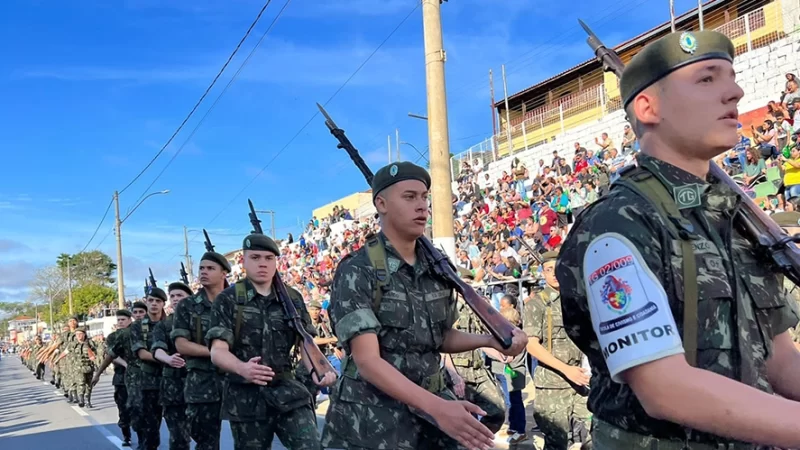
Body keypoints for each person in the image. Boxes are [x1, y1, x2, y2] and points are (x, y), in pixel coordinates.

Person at [556, 30, 800, 449]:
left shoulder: (734, 221)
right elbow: (665, 389)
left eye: (731, 76)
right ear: (648, 107)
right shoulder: (620, 223)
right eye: (707, 79)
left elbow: (777, 358)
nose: (736, 92)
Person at [320, 161, 527, 450]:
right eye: (409, 197)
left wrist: (489, 340)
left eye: (424, 197)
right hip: (371, 421)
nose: (421, 206)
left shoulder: (438, 269)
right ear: (381, 203)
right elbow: (367, 362)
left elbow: (439, 336)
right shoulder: (359, 269)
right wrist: (438, 408)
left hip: (430, 417)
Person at [208, 233, 335, 449]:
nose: (263, 264)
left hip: (288, 391)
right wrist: (242, 368)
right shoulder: (228, 299)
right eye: (255, 257)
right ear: (244, 261)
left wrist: (318, 369)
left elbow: (305, 341)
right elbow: (217, 351)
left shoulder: (292, 298)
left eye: (269, 258)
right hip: (246, 396)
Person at [524, 250, 590, 450]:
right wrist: (565, 369)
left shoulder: (576, 300)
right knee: (557, 443)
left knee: (595, 434)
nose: (554, 273)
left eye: (557, 268)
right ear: (542, 274)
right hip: (553, 385)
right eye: (548, 269)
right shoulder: (537, 304)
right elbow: (531, 344)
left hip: (581, 380)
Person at [172, 249, 231, 450]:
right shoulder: (187, 305)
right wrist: (217, 353)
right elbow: (181, 344)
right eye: (201, 268)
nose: (204, 272)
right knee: (206, 441)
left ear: (224, 273)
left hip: (237, 378)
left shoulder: (236, 303)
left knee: (250, 439)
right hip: (202, 382)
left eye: (210, 268)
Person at [152, 281, 193, 450]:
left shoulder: (202, 320)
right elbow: (157, 348)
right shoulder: (164, 325)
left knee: (207, 438)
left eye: (180, 295)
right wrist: (167, 359)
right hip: (173, 387)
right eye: (173, 296)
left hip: (201, 386)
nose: (176, 299)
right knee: (178, 437)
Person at [130, 288, 167, 450]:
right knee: (150, 428)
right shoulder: (138, 326)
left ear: (163, 304)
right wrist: (167, 360)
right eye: (151, 300)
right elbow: (142, 353)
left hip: (173, 381)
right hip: (149, 383)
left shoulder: (171, 323)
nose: (154, 304)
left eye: (158, 301)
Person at [93, 309, 134, 446]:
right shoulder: (112, 337)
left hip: (139, 377)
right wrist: (98, 374)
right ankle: (126, 436)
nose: (121, 322)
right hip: (121, 377)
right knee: (123, 407)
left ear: (130, 320)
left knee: (141, 408)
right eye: (119, 320)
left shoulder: (137, 333)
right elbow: (112, 356)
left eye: (123, 319)